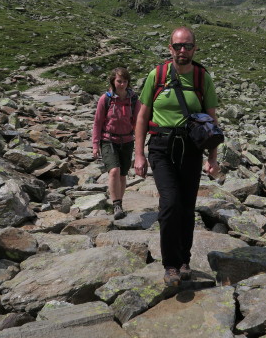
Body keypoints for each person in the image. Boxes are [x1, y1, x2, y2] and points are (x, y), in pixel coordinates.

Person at [134, 26, 220, 286]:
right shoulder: (156, 75)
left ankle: (184, 261)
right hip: (161, 146)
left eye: (188, 46)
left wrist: (213, 158)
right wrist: (139, 154)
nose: (183, 50)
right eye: (178, 46)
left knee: (186, 208)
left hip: (191, 149)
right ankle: (170, 264)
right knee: (170, 204)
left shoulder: (201, 77)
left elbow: (212, 121)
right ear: (170, 48)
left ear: (195, 48)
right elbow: (141, 117)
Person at [92, 67, 140, 219]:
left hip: (127, 140)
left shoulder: (133, 99)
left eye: (125, 81)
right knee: (114, 171)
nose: (122, 84)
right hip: (108, 140)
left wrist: (139, 143)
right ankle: (116, 205)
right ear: (113, 81)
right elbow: (97, 123)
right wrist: (95, 144)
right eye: (119, 81)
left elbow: (138, 122)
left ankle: (119, 203)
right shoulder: (105, 99)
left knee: (123, 175)